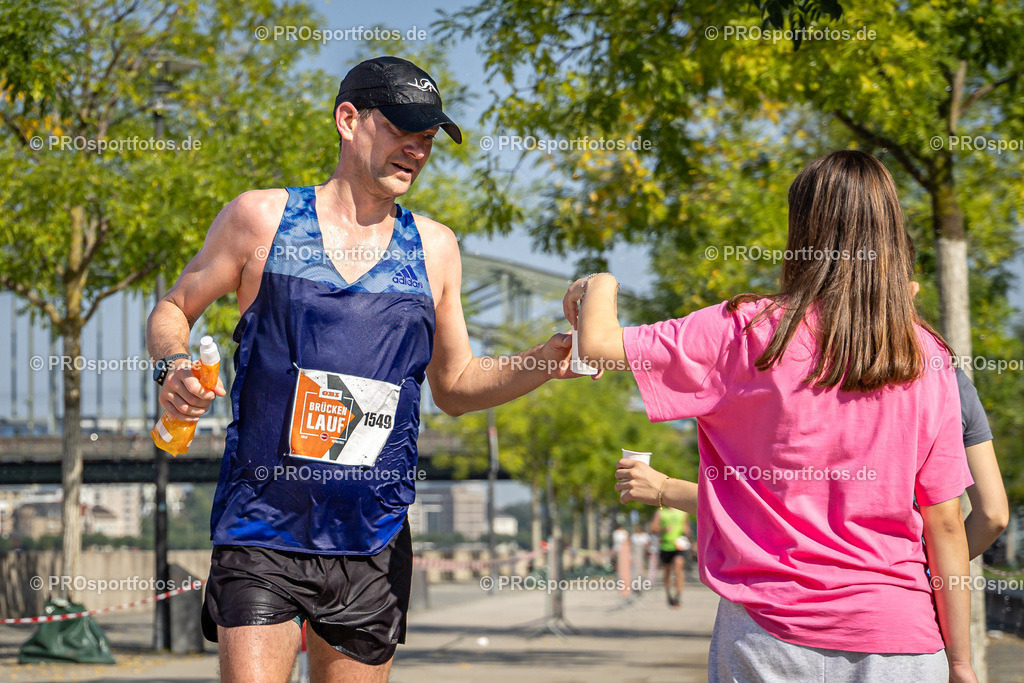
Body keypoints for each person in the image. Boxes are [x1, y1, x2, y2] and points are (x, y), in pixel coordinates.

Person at [146, 56, 588, 683]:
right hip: (261, 527)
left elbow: (456, 386)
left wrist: (544, 361)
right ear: (348, 120)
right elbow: (173, 306)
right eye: (403, 129)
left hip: (370, 536)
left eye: (427, 139)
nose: (417, 149)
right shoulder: (262, 219)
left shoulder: (434, 247)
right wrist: (172, 365)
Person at [565, 150, 978, 682]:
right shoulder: (926, 355)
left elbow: (597, 345)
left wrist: (598, 283)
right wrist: (961, 662)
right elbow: (944, 522)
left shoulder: (746, 332)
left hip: (769, 634)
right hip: (902, 640)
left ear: (801, 228)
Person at [651, 506, 689, 607]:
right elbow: (653, 527)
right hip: (665, 545)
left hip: (679, 546)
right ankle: (668, 593)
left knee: (678, 568)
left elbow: (686, 527)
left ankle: (678, 596)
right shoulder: (660, 512)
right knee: (667, 571)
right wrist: (663, 529)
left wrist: (687, 536)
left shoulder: (683, 512)